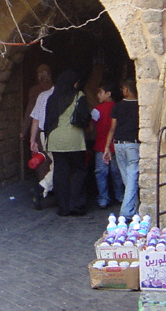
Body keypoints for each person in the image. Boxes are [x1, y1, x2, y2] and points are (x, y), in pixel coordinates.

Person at [43, 69, 89, 216]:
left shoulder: (52, 98)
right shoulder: (79, 96)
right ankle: (76, 205)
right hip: (74, 139)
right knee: (78, 171)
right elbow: (85, 117)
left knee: (60, 172)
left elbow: (48, 120)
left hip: (56, 140)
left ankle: (63, 207)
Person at [103, 77, 140, 221]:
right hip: (133, 144)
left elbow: (112, 129)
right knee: (131, 178)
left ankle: (128, 211)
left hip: (118, 144)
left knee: (128, 179)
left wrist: (107, 147)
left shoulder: (117, 107)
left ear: (126, 89)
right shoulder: (141, 106)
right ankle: (129, 210)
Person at [92, 81, 124, 209]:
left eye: (100, 92)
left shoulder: (97, 110)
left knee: (101, 173)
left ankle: (103, 199)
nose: (98, 95)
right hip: (116, 146)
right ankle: (120, 196)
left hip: (101, 146)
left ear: (108, 93)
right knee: (117, 173)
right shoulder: (119, 107)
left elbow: (90, 128)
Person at [29, 82, 55, 209]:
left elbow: (35, 120)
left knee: (55, 165)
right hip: (57, 135)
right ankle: (42, 188)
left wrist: (32, 140)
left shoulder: (42, 95)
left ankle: (42, 189)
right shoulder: (65, 95)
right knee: (60, 165)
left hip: (43, 135)